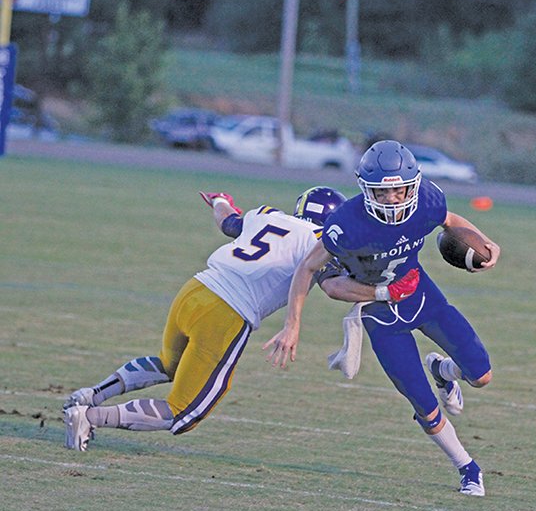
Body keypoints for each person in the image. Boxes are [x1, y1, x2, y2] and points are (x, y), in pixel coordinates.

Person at [63, 186, 421, 451]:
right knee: (185, 410)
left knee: (171, 365)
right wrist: (385, 293)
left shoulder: (268, 214)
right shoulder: (320, 241)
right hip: (226, 312)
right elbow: (334, 286)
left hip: (194, 289)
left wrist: (220, 200)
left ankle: (90, 395)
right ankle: (90, 418)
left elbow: (228, 222)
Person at [264, 140, 501, 496]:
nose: (392, 199)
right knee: (423, 403)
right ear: (366, 189)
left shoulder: (428, 200)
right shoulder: (346, 225)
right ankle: (468, 468)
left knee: (481, 375)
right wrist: (292, 325)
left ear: (412, 184)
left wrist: (484, 240)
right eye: (382, 192)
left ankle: (443, 370)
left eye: (398, 190)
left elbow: (449, 221)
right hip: (381, 315)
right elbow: (313, 272)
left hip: (422, 295)